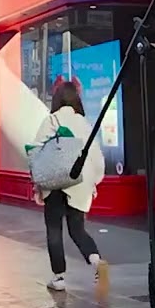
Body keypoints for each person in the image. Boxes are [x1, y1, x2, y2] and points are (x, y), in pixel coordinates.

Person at [32, 83, 107, 291]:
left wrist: (37, 183)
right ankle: (96, 261)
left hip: (55, 183)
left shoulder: (51, 121)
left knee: (54, 229)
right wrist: (94, 181)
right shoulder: (83, 123)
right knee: (77, 229)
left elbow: (35, 152)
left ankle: (59, 278)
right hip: (79, 181)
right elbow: (95, 157)